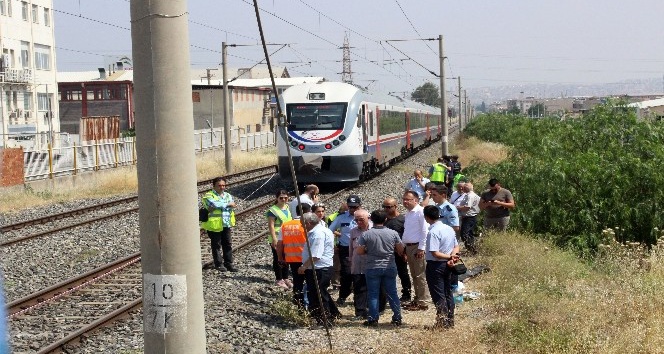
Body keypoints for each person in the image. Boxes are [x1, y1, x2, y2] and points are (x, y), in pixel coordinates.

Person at [356, 209, 405, 326]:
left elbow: (359, 251)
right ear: (386, 219)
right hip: (389, 266)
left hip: (372, 266)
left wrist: (369, 250)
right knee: (392, 292)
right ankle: (397, 317)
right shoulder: (393, 233)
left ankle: (373, 318)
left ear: (371, 219)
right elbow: (400, 249)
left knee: (373, 293)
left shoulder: (366, 234)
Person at [298, 212, 341, 326]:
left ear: (308, 223)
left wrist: (304, 266)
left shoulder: (318, 234)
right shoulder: (320, 230)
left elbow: (316, 255)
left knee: (318, 295)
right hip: (321, 268)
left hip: (319, 269)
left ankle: (325, 320)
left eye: (303, 224)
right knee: (321, 292)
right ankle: (334, 313)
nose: (302, 227)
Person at [423, 205, 459, 329]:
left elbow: (435, 253)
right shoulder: (448, 228)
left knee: (439, 295)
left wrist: (449, 258)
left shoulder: (433, 232)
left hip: (436, 265)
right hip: (448, 265)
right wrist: (452, 257)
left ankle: (442, 323)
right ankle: (450, 320)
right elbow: (456, 246)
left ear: (426, 217)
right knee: (448, 293)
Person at [328, 195, 364, 306]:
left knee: (361, 274)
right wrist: (331, 245)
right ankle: (343, 295)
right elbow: (330, 231)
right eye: (350, 207)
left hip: (362, 249)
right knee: (347, 274)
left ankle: (360, 298)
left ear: (360, 206)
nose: (352, 209)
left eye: (355, 207)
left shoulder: (366, 216)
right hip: (345, 249)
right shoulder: (341, 217)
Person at [401, 190, 430, 311]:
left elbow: (425, 231)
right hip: (409, 246)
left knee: (420, 274)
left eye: (408, 199)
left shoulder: (420, 212)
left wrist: (421, 248)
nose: (405, 201)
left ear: (416, 200)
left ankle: (423, 301)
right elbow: (407, 231)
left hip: (417, 246)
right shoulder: (408, 213)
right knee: (414, 274)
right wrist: (403, 247)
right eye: (404, 199)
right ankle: (417, 298)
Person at [201, 177, 237, 272]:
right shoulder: (208, 195)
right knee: (216, 245)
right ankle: (218, 264)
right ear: (214, 186)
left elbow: (231, 204)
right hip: (214, 224)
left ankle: (229, 264)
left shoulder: (227, 195)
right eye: (219, 185)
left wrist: (221, 204)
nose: (222, 187)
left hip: (226, 223)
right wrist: (227, 204)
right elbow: (214, 204)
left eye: (223, 185)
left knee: (228, 244)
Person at [277, 203, 311, 307]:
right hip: (307, 259)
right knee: (310, 282)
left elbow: (279, 244)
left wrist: (280, 258)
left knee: (297, 282)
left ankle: (298, 304)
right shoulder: (307, 224)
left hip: (291, 259)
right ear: (308, 212)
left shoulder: (285, 225)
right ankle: (309, 304)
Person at [383, 197, 412, 302]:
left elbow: (406, 236)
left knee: (403, 273)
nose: (386, 209)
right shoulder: (383, 219)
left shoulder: (402, 220)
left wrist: (404, 252)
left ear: (395, 206)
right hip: (385, 252)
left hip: (399, 251)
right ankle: (386, 295)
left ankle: (407, 293)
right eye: (384, 207)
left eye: (389, 207)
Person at [266, 189, 293, 288]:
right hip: (277, 237)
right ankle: (279, 279)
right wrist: (274, 239)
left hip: (286, 237)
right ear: (277, 198)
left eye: (285, 197)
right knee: (277, 258)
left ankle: (285, 277)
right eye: (281, 198)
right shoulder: (272, 210)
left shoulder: (287, 207)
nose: (283, 199)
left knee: (286, 257)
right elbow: (271, 225)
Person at [349, 209, 370, 319]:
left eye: (361, 219)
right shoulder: (353, 231)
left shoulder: (373, 230)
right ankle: (360, 311)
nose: (359, 222)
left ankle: (374, 309)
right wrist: (350, 260)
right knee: (358, 287)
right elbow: (351, 248)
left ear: (368, 218)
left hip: (370, 263)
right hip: (357, 263)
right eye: (356, 220)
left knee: (373, 287)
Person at [327, 202, 348, 289]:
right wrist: (339, 234)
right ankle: (335, 283)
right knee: (336, 265)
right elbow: (329, 229)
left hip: (344, 243)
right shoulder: (332, 217)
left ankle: (345, 283)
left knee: (345, 265)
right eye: (346, 210)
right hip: (335, 243)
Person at [457, 182, 481, 254]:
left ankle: (472, 249)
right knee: (470, 234)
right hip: (471, 217)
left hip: (469, 217)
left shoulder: (470, 196)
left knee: (464, 234)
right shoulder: (474, 195)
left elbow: (467, 207)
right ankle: (472, 249)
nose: (462, 189)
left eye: (464, 187)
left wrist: (458, 207)